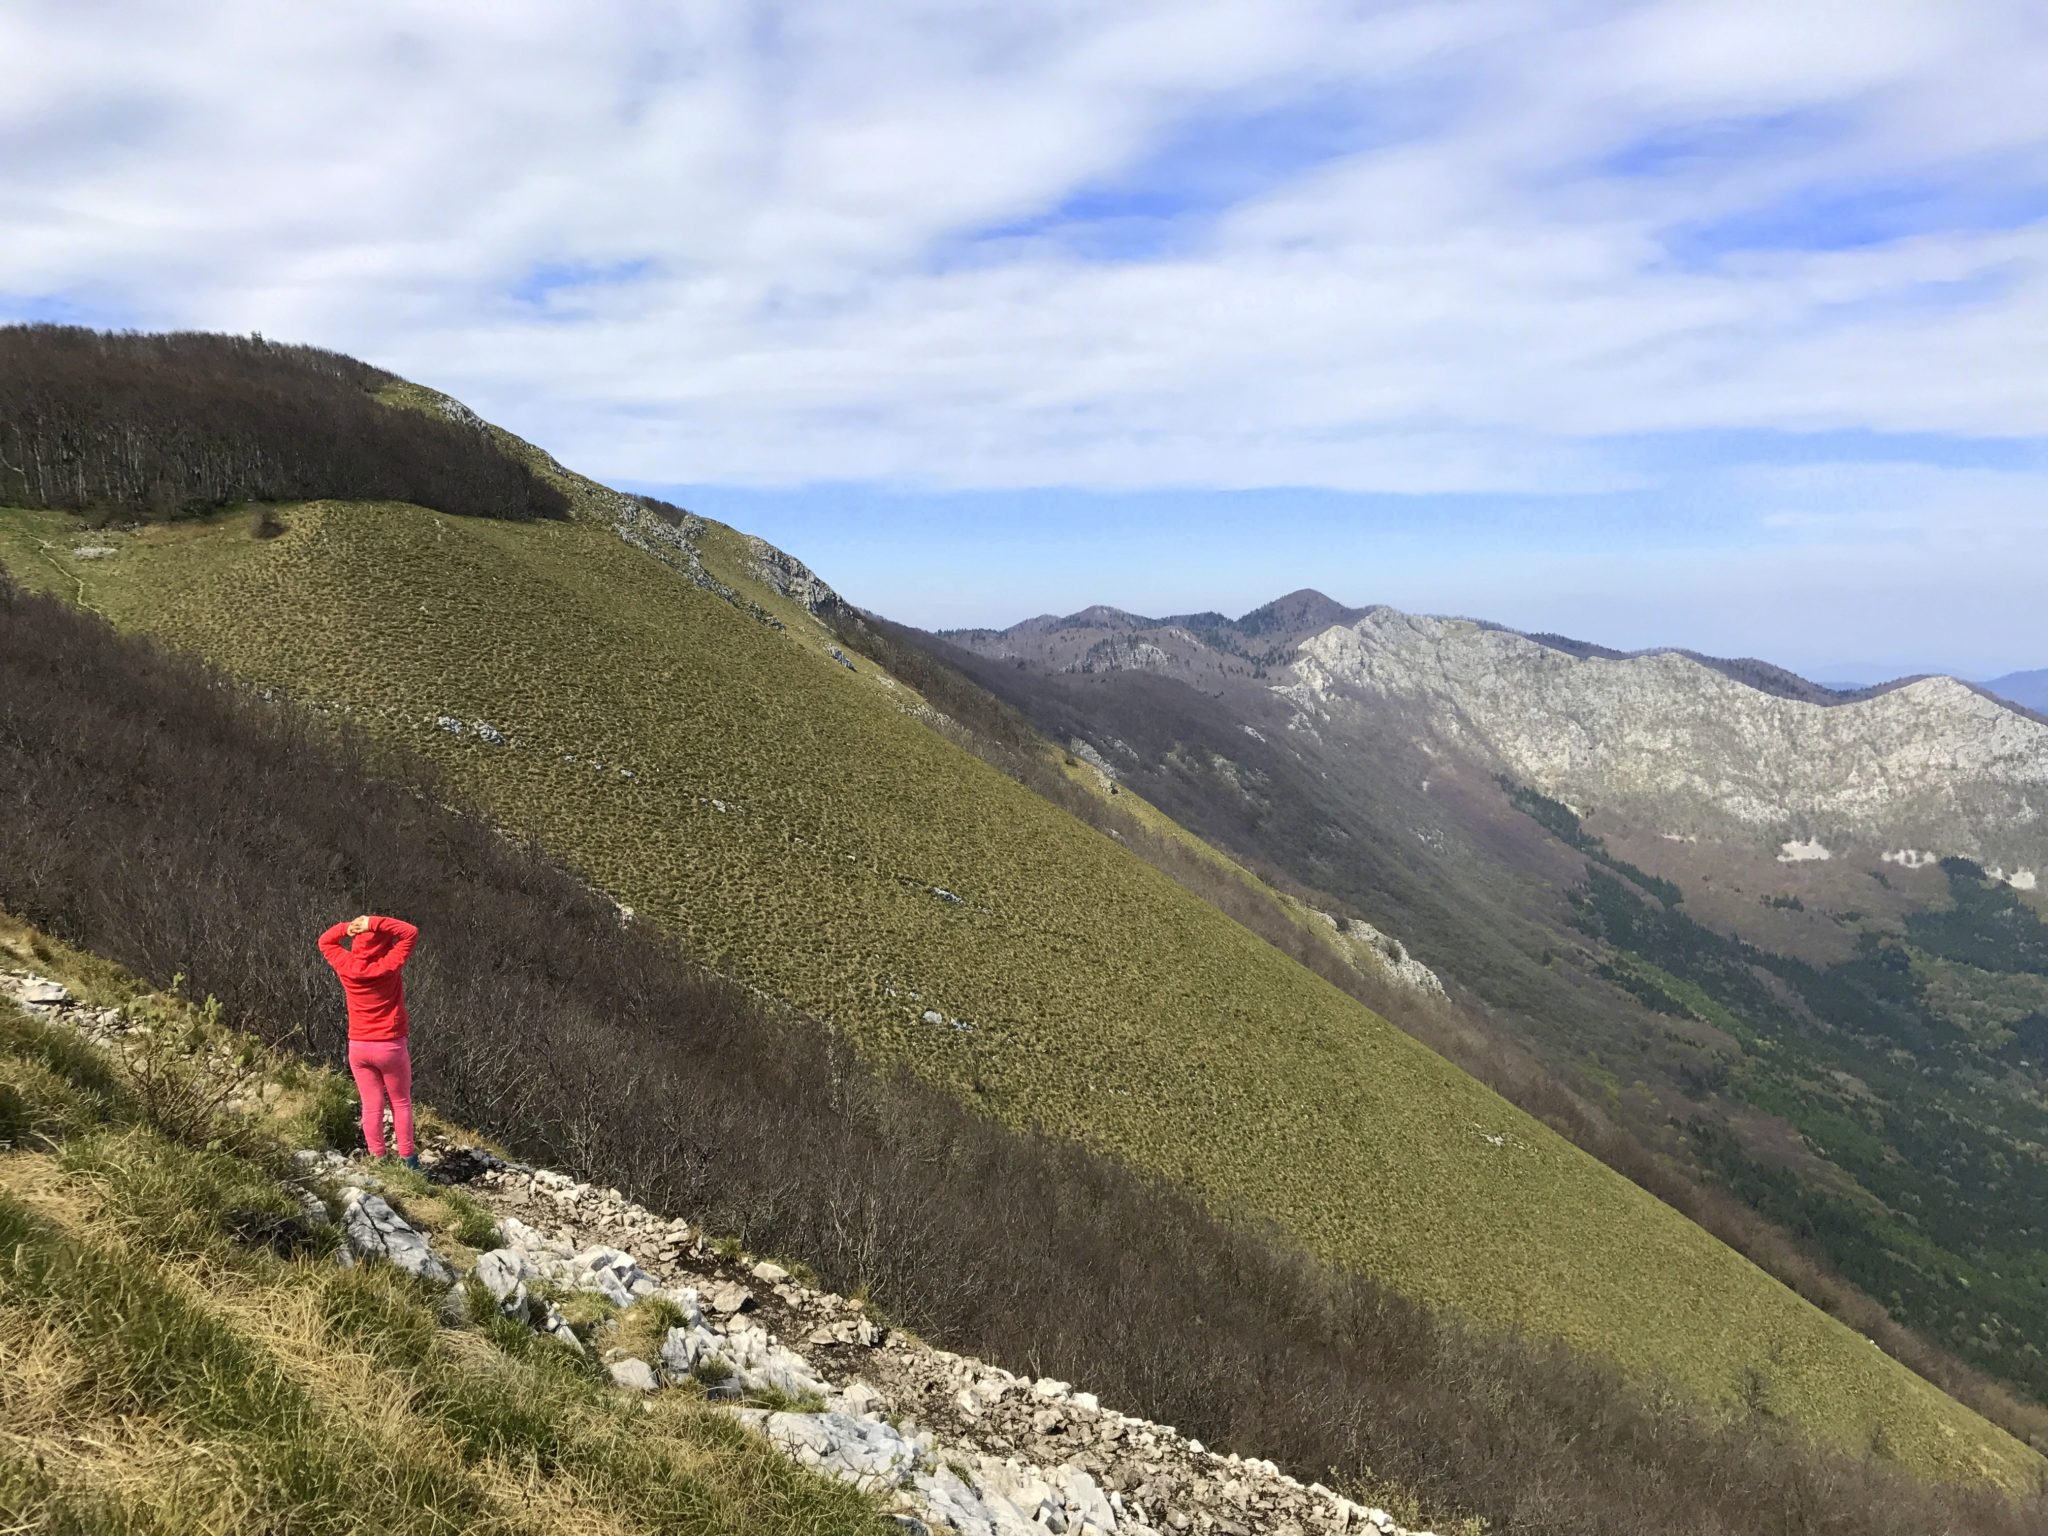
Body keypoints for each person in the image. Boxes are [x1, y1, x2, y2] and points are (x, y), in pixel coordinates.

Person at [317, 913, 421, 1167]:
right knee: (401, 1102)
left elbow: (325, 942)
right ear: (385, 944)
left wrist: (347, 928)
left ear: (357, 943)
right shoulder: (389, 964)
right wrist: (374, 923)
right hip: (391, 1045)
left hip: (359, 1046)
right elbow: (410, 932)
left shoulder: (347, 965)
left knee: (371, 1104)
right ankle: (409, 1161)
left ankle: (378, 1158)